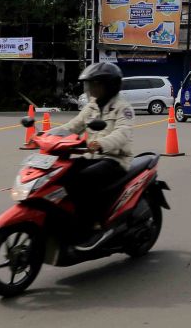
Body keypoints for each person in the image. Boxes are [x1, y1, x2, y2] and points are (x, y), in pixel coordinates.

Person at [47, 62, 135, 251]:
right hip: (91, 157)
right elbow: (72, 126)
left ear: (109, 85)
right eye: (90, 85)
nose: (91, 89)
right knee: (61, 173)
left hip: (115, 160)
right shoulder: (92, 107)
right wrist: (45, 136)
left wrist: (100, 143)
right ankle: (68, 220)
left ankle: (91, 226)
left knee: (83, 180)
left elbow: (123, 133)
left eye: (95, 84)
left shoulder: (122, 107)